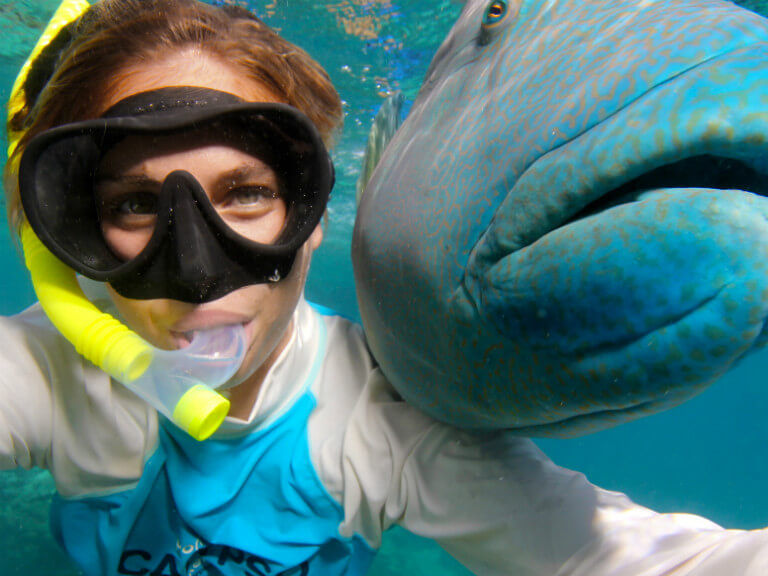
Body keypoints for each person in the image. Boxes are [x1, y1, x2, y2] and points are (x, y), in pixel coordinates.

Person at [2, 1, 768, 575]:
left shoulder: (374, 423)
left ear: (308, 214)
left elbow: (642, 561)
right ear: (68, 236)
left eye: (245, 194)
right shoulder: (53, 372)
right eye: (136, 205)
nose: (199, 270)